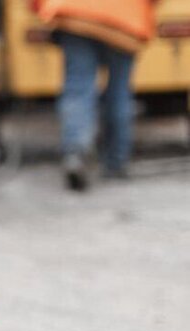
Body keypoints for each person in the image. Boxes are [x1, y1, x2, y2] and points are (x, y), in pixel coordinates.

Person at [35, 0, 156, 191]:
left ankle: (76, 153)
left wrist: (38, 8)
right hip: (125, 18)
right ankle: (116, 162)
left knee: (78, 89)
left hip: (75, 13)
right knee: (119, 92)